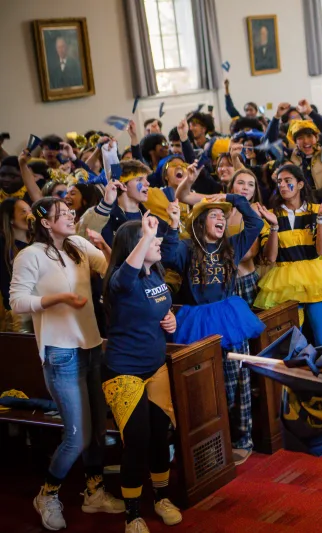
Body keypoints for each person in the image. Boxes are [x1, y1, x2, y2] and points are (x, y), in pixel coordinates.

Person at [9, 197, 124, 530]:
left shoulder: (76, 244)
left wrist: (107, 248)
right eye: (63, 214)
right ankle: (47, 494)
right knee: (76, 434)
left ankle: (94, 492)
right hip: (60, 353)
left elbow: (111, 271)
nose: (71, 216)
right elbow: (17, 301)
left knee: (97, 432)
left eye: (71, 211)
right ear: (45, 222)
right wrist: (58, 298)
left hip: (91, 346)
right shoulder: (29, 255)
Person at [160, 185, 265, 465]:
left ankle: (239, 438)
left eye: (222, 215)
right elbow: (168, 256)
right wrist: (172, 224)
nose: (220, 218)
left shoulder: (232, 246)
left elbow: (256, 222)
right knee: (202, 385)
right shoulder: (186, 247)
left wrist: (231, 198)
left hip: (229, 318)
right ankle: (208, 442)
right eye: (213, 215)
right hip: (196, 321)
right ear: (199, 222)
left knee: (234, 381)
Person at [102, 215, 182, 532]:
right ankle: (132, 513)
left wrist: (170, 318)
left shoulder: (154, 275)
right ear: (134, 246)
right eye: (150, 237)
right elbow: (126, 276)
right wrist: (145, 236)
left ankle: (161, 497)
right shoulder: (122, 281)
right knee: (137, 440)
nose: (157, 240)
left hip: (156, 366)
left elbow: (160, 305)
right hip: (124, 372)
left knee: (160, 435)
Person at [254, 164, 322, 345]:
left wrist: (320, 218)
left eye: (288, 181)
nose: (283, 186)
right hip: (284, 281)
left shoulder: (319, 209)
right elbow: (270, 257)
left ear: (301, 184)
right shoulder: (270, 215)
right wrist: (274, 227)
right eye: (279, 182)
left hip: (317, 278)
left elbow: (321, 250)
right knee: (293, 346)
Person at [0, 198, 31, 332]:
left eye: (30, 211)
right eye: (23, 212)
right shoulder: (3, 246)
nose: (30, 215)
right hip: (17, 313)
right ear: (11, 219)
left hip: (41, 309)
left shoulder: (39, 242)